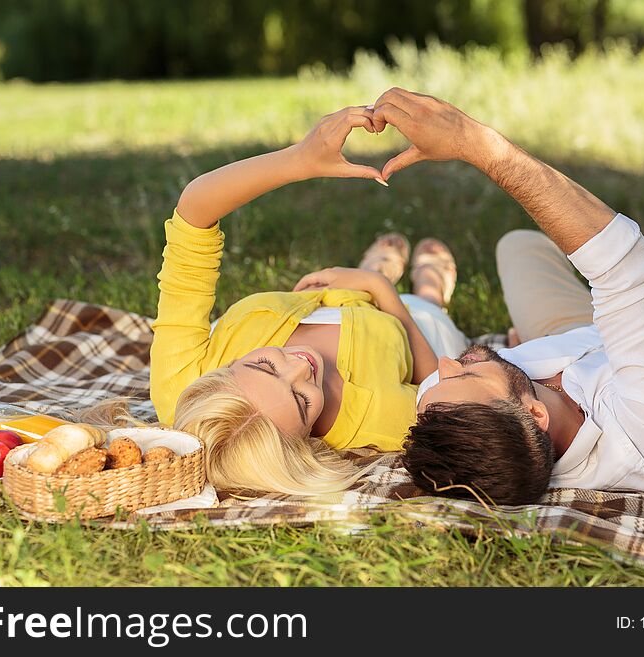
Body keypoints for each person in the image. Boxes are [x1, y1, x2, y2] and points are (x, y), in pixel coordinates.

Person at [368, 87, 644, 505]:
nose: (446, 366)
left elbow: (444, 383)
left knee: (518, 245)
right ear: (534, 415)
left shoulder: (445, 401)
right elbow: (626, 262)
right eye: (467, 375)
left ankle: (637, 313)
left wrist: (516, 357)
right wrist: (475, 143)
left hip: (580, 332)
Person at [150, 105, 468, 496]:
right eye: (302, 401)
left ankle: (377, 268)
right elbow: (438, 389)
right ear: (302, 444)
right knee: (426, 308)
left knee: (358, 278)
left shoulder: (181, 387)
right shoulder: (373, 421)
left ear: (223, 372)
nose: (302, 368)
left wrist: (300, 159)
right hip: (412, 325)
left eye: (266, 365)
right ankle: (428, 287)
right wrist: (381, 292)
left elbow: (193, 216)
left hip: (330, 297)